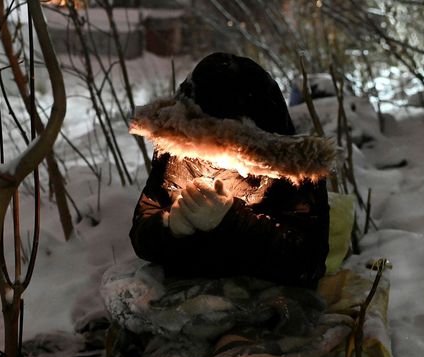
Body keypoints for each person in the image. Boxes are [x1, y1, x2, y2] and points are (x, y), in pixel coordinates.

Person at [129, 52, 332, 289]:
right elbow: (142, 236)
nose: (216, 166)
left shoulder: (294, 172)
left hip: (268, 299)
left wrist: (232, 219)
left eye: (229, 154)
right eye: (205, 151)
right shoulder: (177, 155)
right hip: (187, 293)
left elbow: (308, 264)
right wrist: (171, 226)